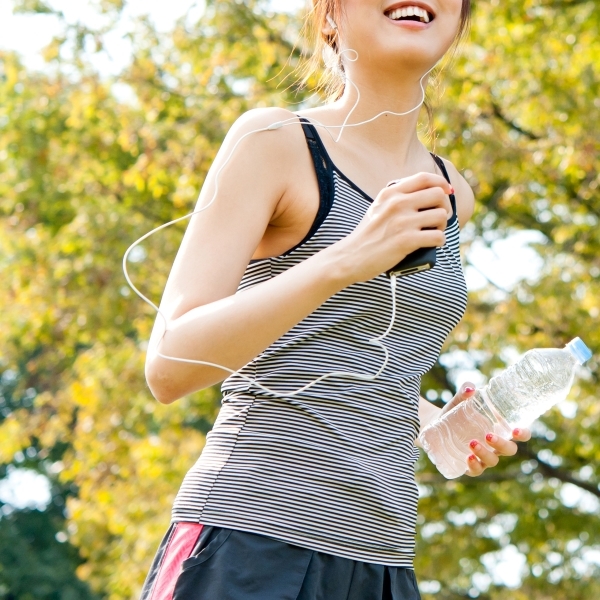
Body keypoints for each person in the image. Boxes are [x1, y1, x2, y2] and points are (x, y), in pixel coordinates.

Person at [139, 1, 531, 598]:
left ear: (457, 23)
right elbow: (169, 366)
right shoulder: (275, 141)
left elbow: (346, 360)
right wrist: (349, 258)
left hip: (383, 563)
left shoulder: (453, 193)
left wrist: (441, 422)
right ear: (330, 16)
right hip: (249, 540)